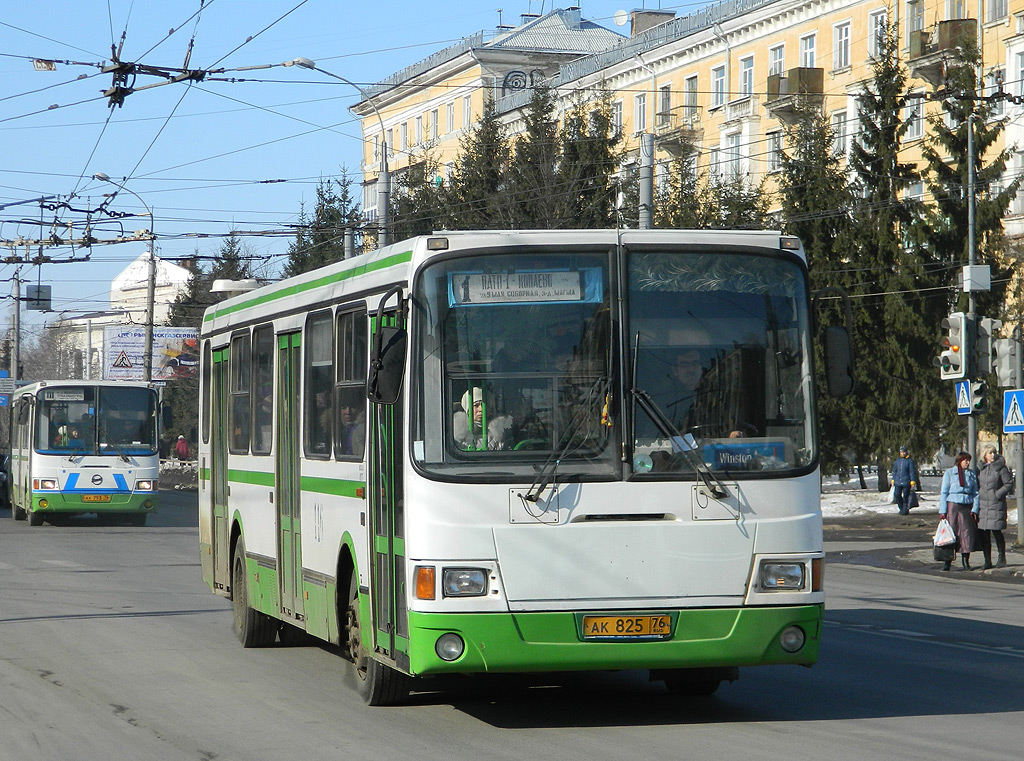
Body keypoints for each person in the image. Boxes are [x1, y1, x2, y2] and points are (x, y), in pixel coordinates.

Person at [937, 451, 980, 571]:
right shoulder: (950, 473)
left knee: (967, 534)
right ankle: (947, 561)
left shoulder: (971, 474)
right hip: (953, 504)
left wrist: (975, 508)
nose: (967, 463)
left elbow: (976, 493)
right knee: (951, 532)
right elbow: (944, 492)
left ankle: (965, 560)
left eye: (968, 461)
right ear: (960, 461)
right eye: (965, 460)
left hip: (967, 505)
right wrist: (943, 511)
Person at [977, 445, 1012, 569]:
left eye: (994, 452)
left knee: (996, 531)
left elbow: (1008, 484)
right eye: (990, 453)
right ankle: (987, 560)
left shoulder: (1001, 468)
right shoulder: (980, 468)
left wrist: (997, 494)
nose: (993, 455)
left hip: (996, 504)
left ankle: (1001, 558)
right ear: (984, 454)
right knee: (984, 534)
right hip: (983, 505)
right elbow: (977, 484)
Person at [891, 445, 919, 515]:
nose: (903, 453)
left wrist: (912, 481)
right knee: (897, 494)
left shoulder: (909, 461)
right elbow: (894, 471)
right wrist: (893, 480)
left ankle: (905, 509)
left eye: (904, 452)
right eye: (901, 452)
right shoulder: (897, 461)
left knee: (905, 496)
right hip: (898, 481)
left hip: (906, 482)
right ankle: (901, 508)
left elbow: (912, 472)